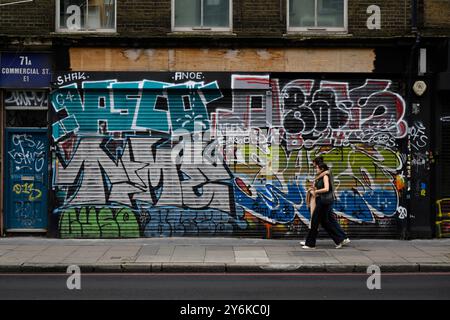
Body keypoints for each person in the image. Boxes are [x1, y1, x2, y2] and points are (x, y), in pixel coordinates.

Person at [301, 162, 351, 249]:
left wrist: (316, 192)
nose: (315, 169)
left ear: (322, 169)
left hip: (323, 202)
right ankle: (339, 240)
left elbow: (326, 189)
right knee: (325, 222)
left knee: (315, 221)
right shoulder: (319, 177)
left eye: (317, 168)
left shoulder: (325, 176)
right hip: (322, 201)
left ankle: (310, 244)